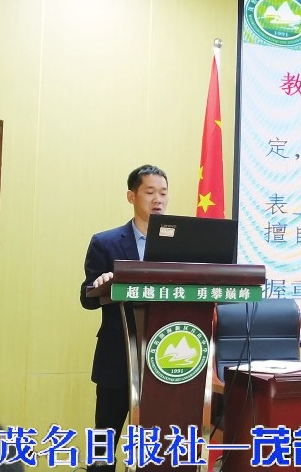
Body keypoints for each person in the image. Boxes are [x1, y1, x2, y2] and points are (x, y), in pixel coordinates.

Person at [80, 165, 169, 471]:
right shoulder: (105, 242)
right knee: (103, 445)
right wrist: (102, 283)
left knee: (160, 445)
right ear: (131, 196)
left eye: (163, 193)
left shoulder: (179, 244)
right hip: (117, 357)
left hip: (166, 359)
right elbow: (86, 298)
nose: (158, 199)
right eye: (150, 192)